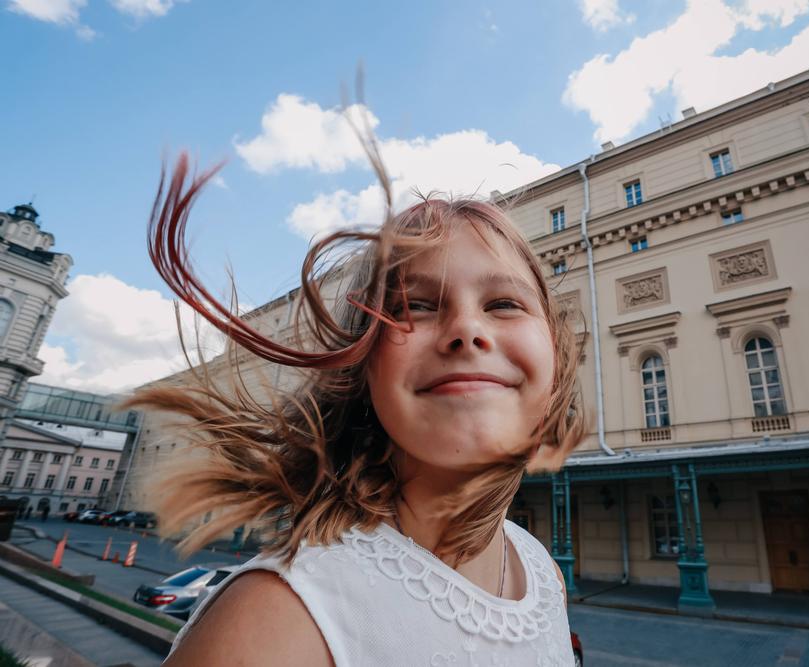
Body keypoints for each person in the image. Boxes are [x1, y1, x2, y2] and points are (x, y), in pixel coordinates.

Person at [127, 136, 586, 666]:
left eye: (504, 303)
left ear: (555, 358)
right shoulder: (274, 622)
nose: (467, 330)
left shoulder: (543, 576)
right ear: (363, 368)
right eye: (414, 306)